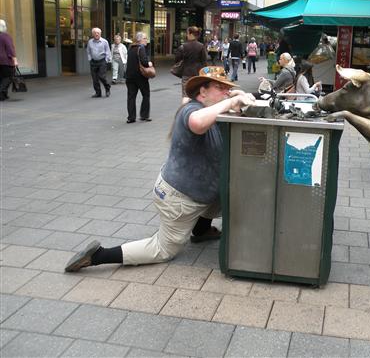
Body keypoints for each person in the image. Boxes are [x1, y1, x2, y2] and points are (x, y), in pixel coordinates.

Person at [64, 67, 256, 273]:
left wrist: (237, 101)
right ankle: (98, 256)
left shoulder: (212, 109)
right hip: (179, 199)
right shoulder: (191, 111)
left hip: (193, 192)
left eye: (228, 88)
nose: (226, 92)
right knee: (163, 249)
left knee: (226, 194)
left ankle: (201, 230)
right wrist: (230, 102)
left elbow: (225, 116)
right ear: (202, 92)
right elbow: (197, 121)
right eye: (221, 88)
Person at [125, 32, 153, 123]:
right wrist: (149, 63)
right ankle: (144, 115)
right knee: (146, 95)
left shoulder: (130, 48)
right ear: (139, 40)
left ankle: (131, 117)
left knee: (131, 97)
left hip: (129, 77)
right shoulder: (141, 48)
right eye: (145, 38)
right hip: (140, 77)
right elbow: (144, 62)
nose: (146, 40)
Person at [174, 26, 207, 96]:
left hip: (186, 73)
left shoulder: (183, 46)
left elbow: (177, 60)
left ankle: (186, 106)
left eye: (187, 33)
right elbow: (204, 62)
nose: (187, 35)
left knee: (185, 95)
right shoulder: (201, 46)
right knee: (197, 95)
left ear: (191, 34)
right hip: (197, 74)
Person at [87, 27, 112, 98]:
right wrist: (90, 59)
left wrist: (106, 60)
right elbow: (88, 51)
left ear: (100, 34)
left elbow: (108, 52)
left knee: (101, 76)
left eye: (98, 33)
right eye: (95, 33)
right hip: (93, 62)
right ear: (93, 34)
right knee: (95, 79)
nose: (96, 34)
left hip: (102, 61)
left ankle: (107, 88)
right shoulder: (90, 42)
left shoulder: (104, 42)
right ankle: (98, 93)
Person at [0, 19, 17, 101]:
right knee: (8, 77)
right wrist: (15, 59)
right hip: (5, 61)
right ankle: (1, 93)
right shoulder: (5, 36)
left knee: (1, 78)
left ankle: (4, 94)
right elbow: (10, 48)